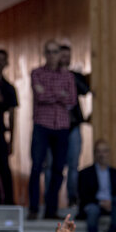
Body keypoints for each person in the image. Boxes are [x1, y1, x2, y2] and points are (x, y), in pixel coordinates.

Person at [27, 43, 75, 218]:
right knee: (36, 167)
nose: (52, 55)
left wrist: (49, 93)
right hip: (42, 125)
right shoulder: (37, 73)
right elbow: (40, 96)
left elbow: (71, 100)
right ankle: (33, 208)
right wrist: (59, 94)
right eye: (49, 52)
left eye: (55, 52)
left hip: (61, 126)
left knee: (58, 169)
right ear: (44, 53)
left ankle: (51, 210)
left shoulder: (68, 76)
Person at [78, 140, 116, 232]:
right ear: (94, 154)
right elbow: (83, 195)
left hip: (112, 204)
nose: (102, 154)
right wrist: (101, 203)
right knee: (92, 211)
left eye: (105, 151)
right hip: (94, 204)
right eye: (98, 151)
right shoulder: (85, 173)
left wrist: (111, 203)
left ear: (109, 153)